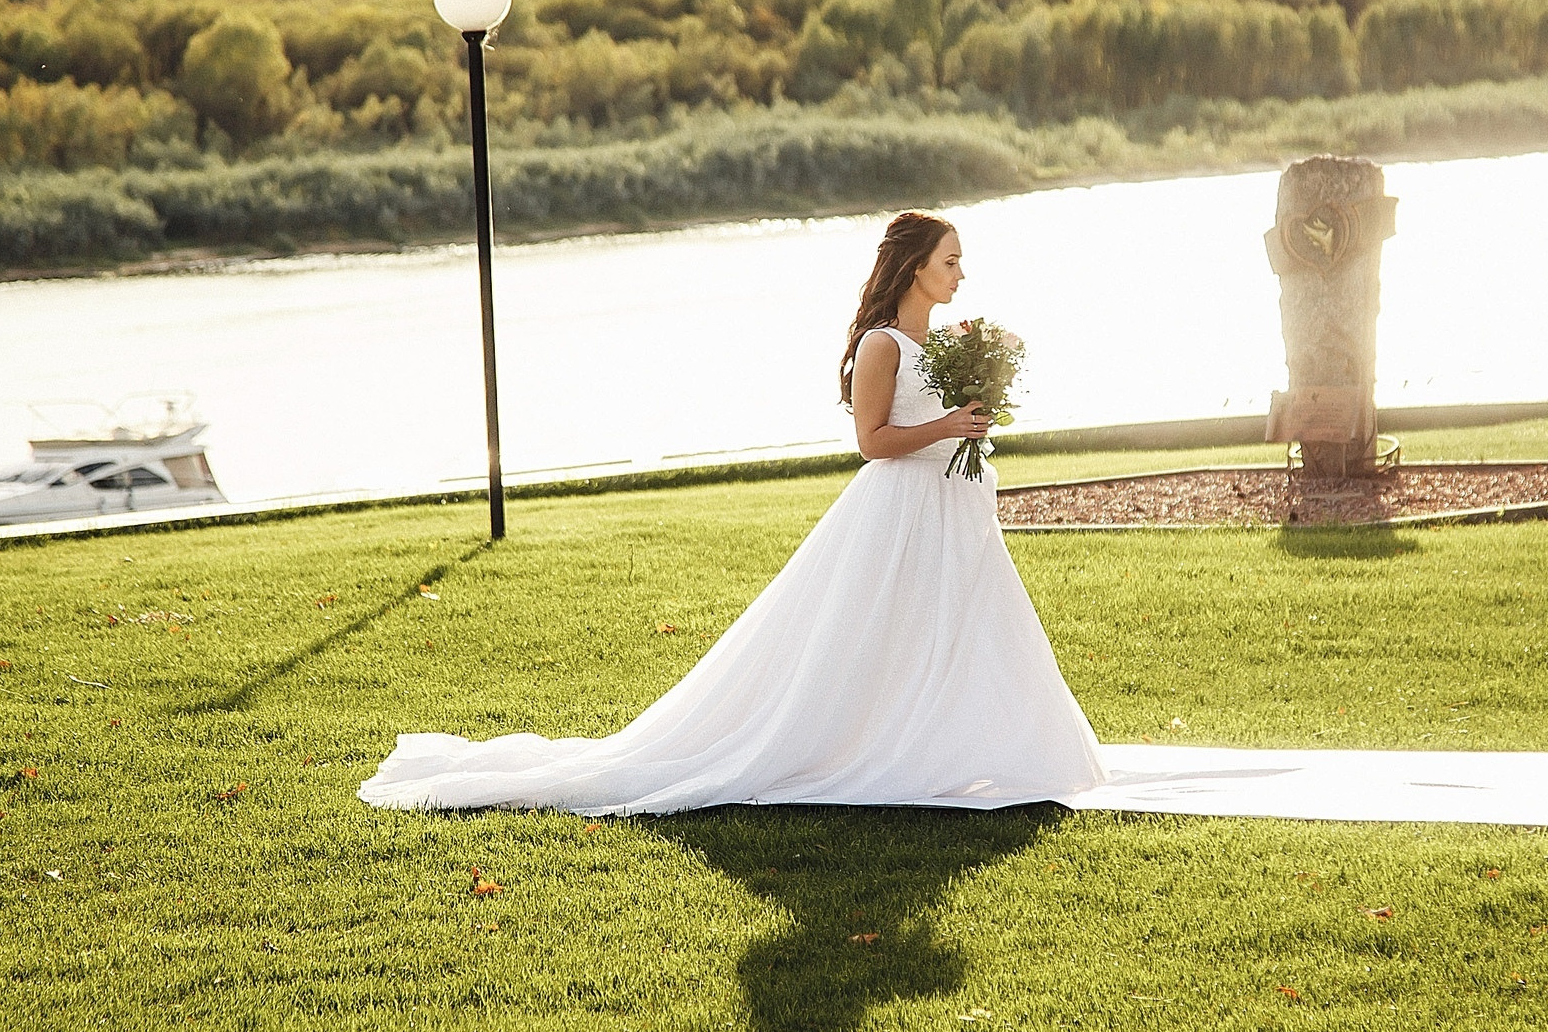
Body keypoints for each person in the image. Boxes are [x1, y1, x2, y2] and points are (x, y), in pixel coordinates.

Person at [358, 211, 1107, 814]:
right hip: (900, 508)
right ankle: (874, 745)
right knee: (877, 633)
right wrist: (949, 427)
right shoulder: (882, 344)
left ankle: (967, 744)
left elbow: (944, 418)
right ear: (914, 267)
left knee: (962, 626)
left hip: (953, 507)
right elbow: (872, 442)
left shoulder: (940, 343)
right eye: (951, 260)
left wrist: (973, 414)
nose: (961, 273)